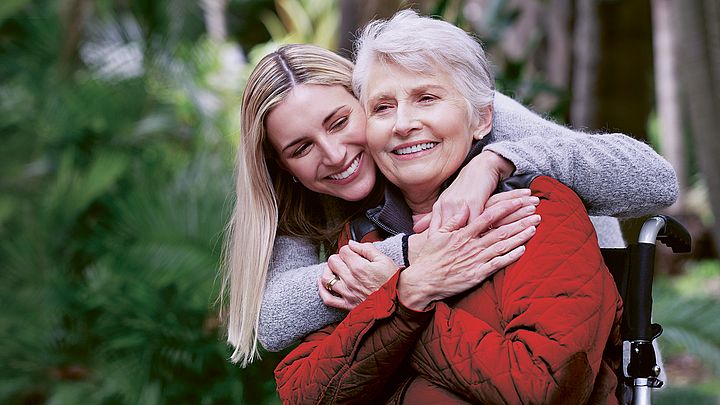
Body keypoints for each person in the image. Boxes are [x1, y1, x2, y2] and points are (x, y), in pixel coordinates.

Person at [221, 30, 677, 366]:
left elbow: (654, 181)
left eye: (340, 121)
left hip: (582, 324)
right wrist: (409, 254)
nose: (335, 154)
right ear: (283, 166)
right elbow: (274, 318)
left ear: (363, 98)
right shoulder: (300, 197)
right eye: (300, 148)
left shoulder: (457, 112)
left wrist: (494, 160)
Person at [273, 10, 625, 403]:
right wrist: (408, 290)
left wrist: (403, 303)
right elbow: (303, 395)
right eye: (383, 107)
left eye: (427, 98)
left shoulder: (533, 210)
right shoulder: (365, 238)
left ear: (481, 119)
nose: (403, 123)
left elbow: (544, 389)